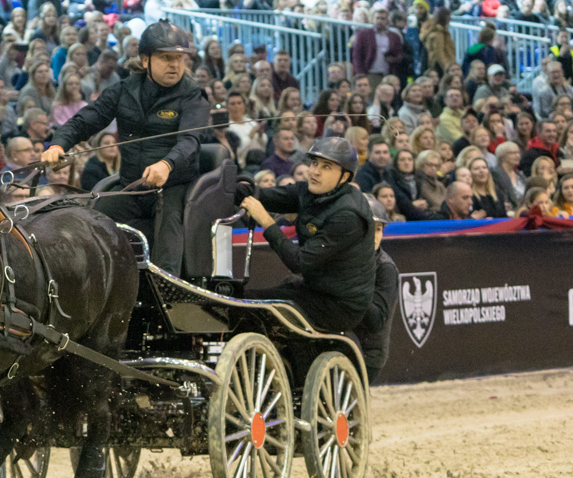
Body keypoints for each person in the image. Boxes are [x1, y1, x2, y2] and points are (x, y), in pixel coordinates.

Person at [39, 21, 208, 273]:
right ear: (144, 60)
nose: (175, 64)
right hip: (131, 185)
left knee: (169, 225)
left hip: (173, 186)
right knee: (94, 218)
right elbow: (84, 121)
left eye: (179, 58)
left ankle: (166, 288)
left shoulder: (193, 95)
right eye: (166, 58)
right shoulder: (123, 90)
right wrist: (57, 145)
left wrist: (166, 164)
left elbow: (190, 142)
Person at [237, 136, 376, 333]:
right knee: (242, 299)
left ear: (344, 177)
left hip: (338, 306)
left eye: (326, 167)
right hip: (314, 290)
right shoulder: (310, 192)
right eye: (314, 163)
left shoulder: (348, 215)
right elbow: (264, 195)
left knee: (251, 306)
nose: (315, 172)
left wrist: (266, 221)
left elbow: (299, 262)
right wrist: (229, 187)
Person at [353, 196, 400, 383]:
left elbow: (376, 321)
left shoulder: (385, 268)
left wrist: (350, 287)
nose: (373, 236)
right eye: (368, 229)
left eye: (378, 230)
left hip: (367, 353)